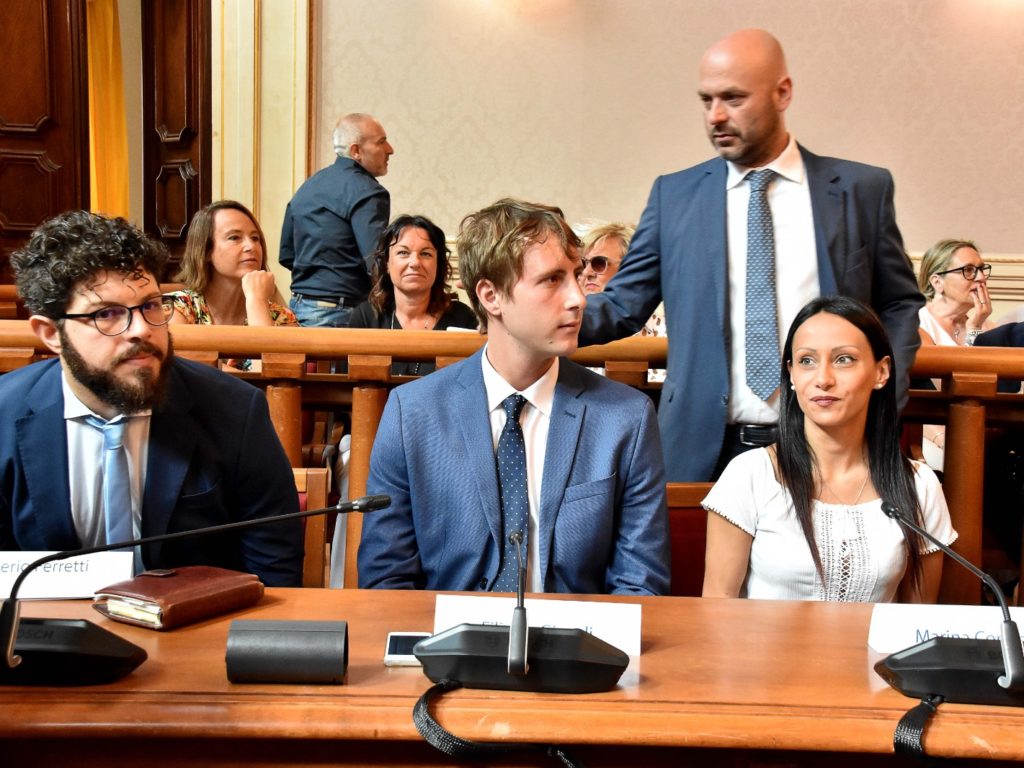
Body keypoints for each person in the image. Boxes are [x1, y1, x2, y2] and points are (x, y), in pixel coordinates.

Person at [578, 28, 924, 482]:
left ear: (783, 93)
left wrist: (882, 396)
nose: (716, 116)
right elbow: (622, 306)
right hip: (702, 452)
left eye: (734, 98)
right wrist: (523, 319)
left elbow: (899, 303)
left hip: (828, 447)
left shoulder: (861, 191)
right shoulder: (674, 196)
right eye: (706, 101)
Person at [358, 198, 670, 595]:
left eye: (576, 277)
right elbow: (386, 581)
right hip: (445, 633)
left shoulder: (626, 418)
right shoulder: (412, 413)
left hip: (577, 632)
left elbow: (640, 585)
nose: (579, 298)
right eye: (553, 280)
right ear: (491, 296)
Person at [0, 211, 304, 586]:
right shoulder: (5, 415)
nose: (142, 330)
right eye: (107, 314)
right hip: (43, 620)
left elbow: (275, 572)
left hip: (198, 619)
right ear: (50, 334)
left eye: (150, 305)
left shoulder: (234, 409)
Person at [702, 296, 955, 602]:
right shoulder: (750, 474)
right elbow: (717, 608)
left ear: (881, 372)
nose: (823, 379)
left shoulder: (919, 485)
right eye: (807, 361)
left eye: (843, 359)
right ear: (792, 374)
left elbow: (918, 621)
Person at [279, 113, 394, 327]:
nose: (390, 149)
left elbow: (287, 255)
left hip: (298, 307)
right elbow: (376, 261)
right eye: (381, 142)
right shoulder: (368, 192)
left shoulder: (308, 186)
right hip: (341, 314)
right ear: (356, 151)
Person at [347, 214, 476, 375]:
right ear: (387, 263)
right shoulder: (365, 317)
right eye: (403, 252)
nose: (415, 263)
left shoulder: (463, 318)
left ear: (438, 264)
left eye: (426, 254)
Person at [916, 238, 993, 469]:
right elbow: (952, 388)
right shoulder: (917, 324)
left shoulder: (988, 326)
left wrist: (976, 327)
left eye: (982, 269)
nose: (980, 278)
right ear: (937, 282)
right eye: (968, 271)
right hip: (934, 434)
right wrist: (974, 333)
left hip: (983, 430)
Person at [170, 200, 297, 329]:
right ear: (206, 251)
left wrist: (257, 301)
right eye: (234, 237)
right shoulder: (176, 308)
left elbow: (270, 344)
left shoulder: (281, 316)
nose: (251, 246)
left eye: (255, 238)